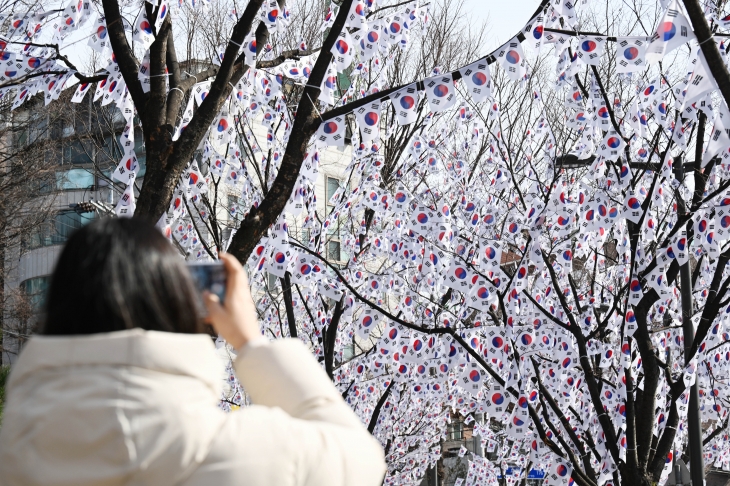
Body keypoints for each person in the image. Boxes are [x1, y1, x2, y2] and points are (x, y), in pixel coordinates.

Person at [0, 218, 386, 486]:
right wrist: (250, 341)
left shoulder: (12, 455)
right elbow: (362, 459)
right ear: (174, 305)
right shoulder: (234, 450)